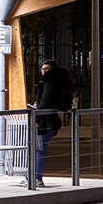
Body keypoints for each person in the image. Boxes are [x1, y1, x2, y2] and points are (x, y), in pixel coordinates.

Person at [31, 59, 74, 188]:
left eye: (47, 69)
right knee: (39, 149)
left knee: (38, 149)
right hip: (51, 121)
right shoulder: (61, 82)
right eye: (42, 69)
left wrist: (36, 119)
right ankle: (33, 177)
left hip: (45, 122)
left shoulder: (49, 82)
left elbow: (46, 102)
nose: (43, 71)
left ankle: (36, 178)